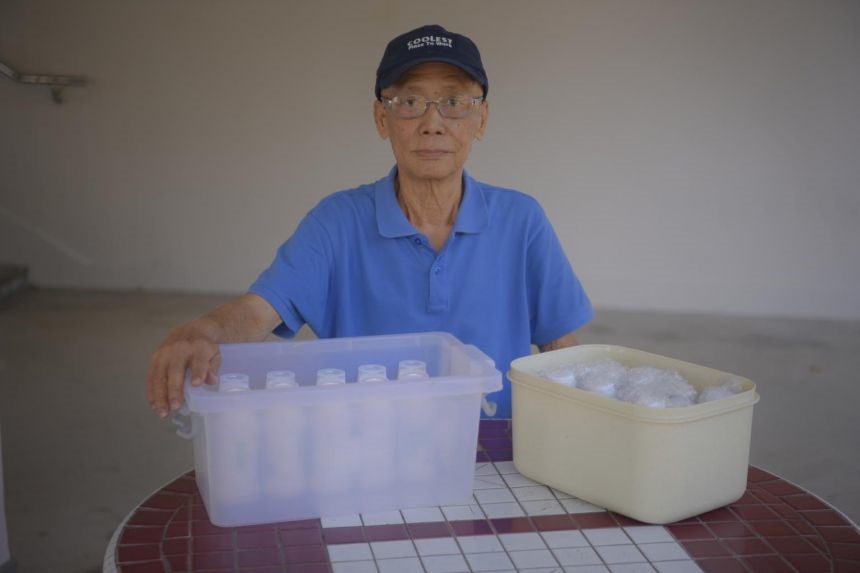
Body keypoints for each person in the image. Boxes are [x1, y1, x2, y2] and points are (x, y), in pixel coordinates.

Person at [146, 24, 593, 419]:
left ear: (481, 119)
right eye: (411, 101)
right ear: (383, 118)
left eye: (454, 102)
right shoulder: (336, 222)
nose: (433, 123)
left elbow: (558, 349)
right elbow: (258, 310)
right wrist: (202, 331)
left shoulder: (521, 219)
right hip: (367, 453)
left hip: (494, 453)